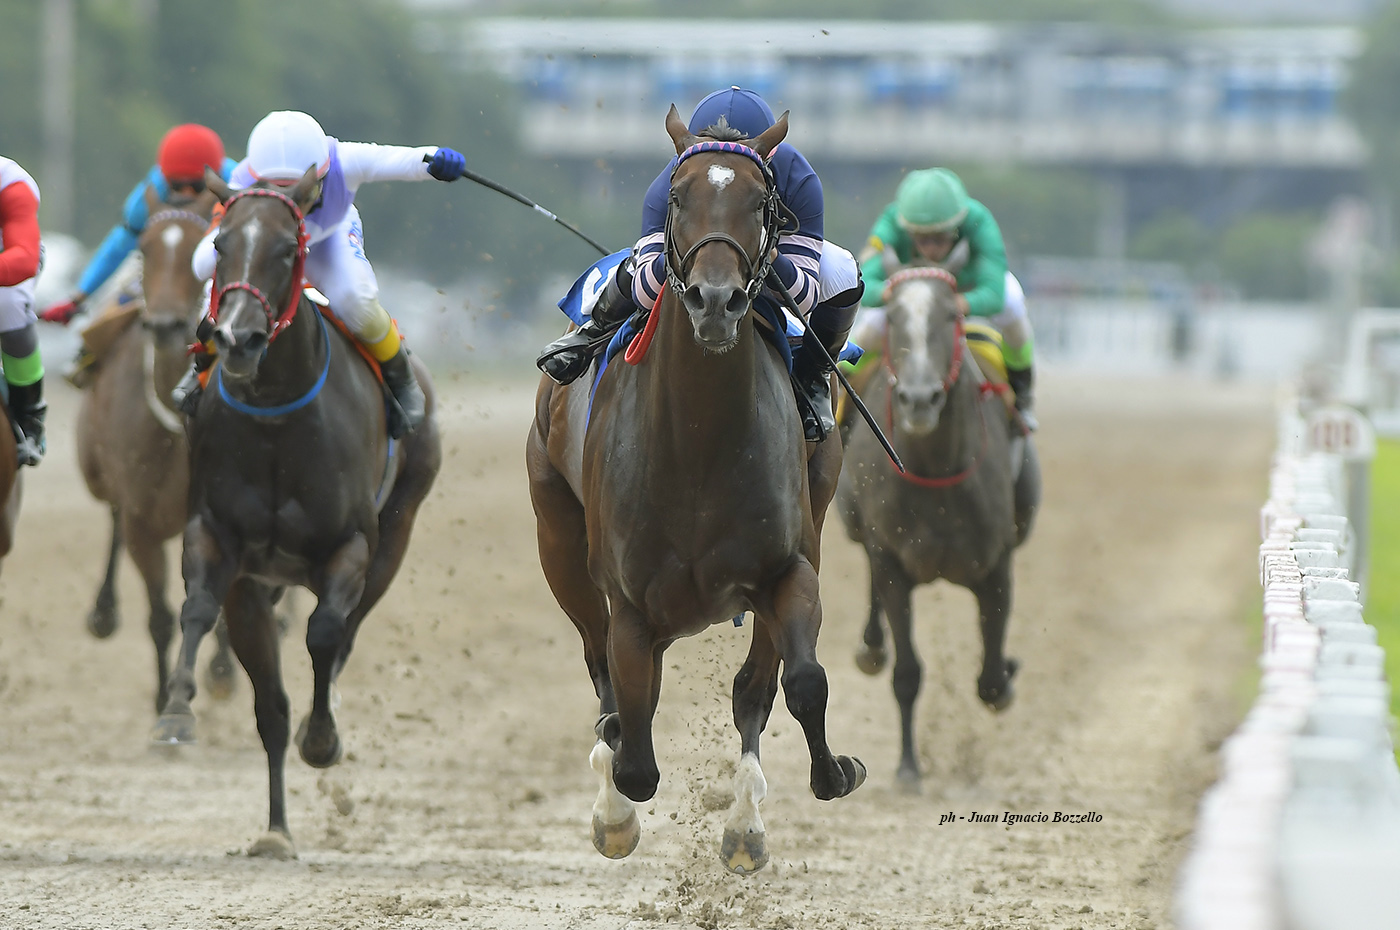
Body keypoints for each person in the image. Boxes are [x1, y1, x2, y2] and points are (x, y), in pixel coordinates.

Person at [536, 86, 864, 442]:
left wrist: (769, 254)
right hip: (693, 256)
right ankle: (593, 332)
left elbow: (804, 298)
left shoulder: (800, 180)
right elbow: (646, 292)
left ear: (770, 155)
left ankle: (814, 372)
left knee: (843, 269)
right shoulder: (671, 182)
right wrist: (673, 259)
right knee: (633, 264)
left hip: (765, 251)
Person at [174, 110, 468, 435]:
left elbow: (400, 160)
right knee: (215, 300)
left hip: (328, 237)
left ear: (323, 173)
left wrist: (435, 161)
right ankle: (200, 369)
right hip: (270, 243)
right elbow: (203, 262)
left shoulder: (346, 160)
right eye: (276, 189)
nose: (289, 201)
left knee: (355, 300)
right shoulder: (242, 180)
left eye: (300, 192)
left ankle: (402, 379)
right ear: (257, 178)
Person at [40, 124, 237, 384]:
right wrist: (78, 297)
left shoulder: (237, 184)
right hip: (162, 261)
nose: (187, 193)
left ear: (216, 175)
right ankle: (87, 356)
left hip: (222, 263)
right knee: (120, 297)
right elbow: (119, 245)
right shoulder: (150, 191)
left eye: (198, 186)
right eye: (177, 185)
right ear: (165, 177)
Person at [859, 167, 1037, 430]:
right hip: (912, 294)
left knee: (1013, 301)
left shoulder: (979, 221)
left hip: (964, 289)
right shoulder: (891, 221)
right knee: (864, 333)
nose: (932, 248)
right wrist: (888, 294)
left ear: (958, 226)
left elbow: (994, 293)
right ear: (907, 228)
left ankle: (1023, 395)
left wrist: (959, 304)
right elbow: (863, 284)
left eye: (941, 238)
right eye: (922, 239)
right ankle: (836, 398)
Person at [0, 156, 49, 464]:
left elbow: (24, 258)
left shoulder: (10, 182)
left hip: (8, 257)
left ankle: (29, 417)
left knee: (9, 305)